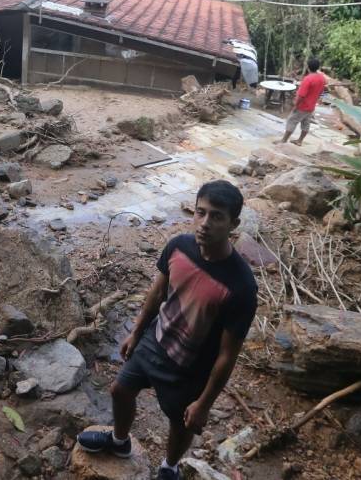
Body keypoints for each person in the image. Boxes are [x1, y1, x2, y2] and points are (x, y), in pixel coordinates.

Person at [77, 181, 258, 480]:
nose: (204, 223)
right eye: (200, 213)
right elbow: (157, 293)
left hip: (190, 368)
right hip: (155, 340)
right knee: (120, 390)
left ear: (234, 224)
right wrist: (136, 332)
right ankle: (120, 442)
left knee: (180, 422)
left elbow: (228, 355)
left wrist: (204, 403)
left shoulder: (241, 286)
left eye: (216, 216)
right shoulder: (179, 247)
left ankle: (169, 468)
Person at [278, 57, 327, 146]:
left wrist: (296, 105)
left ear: (308, 67)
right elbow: (321, 92)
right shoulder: (322, 78)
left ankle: (284, 140)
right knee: (306, 123)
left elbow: (301, 95)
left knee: (291, 120)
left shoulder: (308, 79)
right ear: (318, 67)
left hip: (303, 106)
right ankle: (300, 141)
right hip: (311, 106)